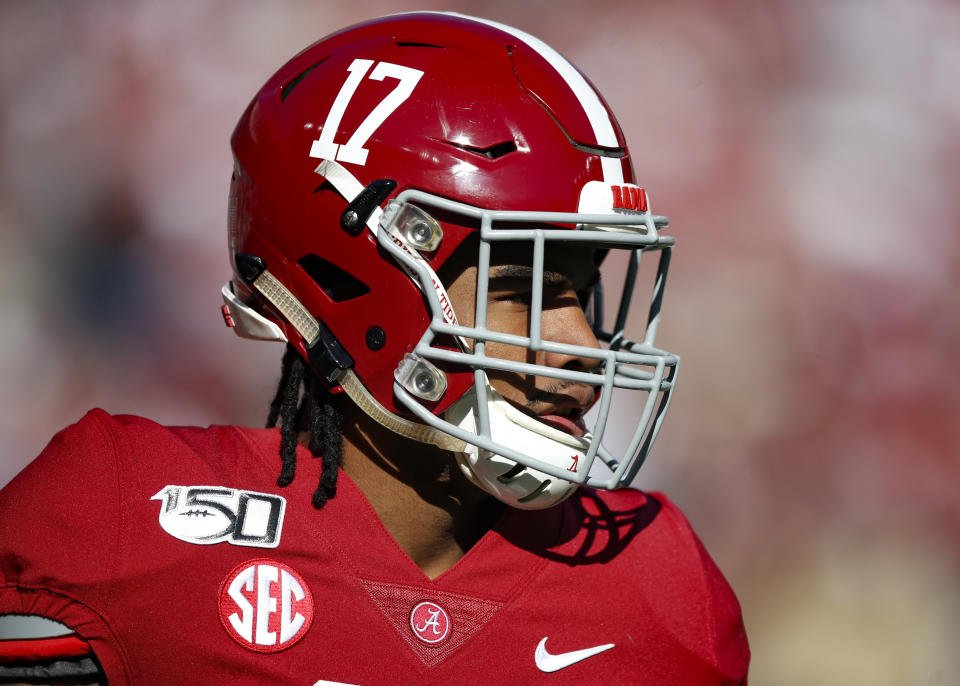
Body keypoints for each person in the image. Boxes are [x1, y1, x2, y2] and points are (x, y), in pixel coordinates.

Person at [0, 12, 749, 685]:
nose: (582, 347)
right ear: (360, 278)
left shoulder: (660, 587)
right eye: (521, 286)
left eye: (582, 295)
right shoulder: (122, 515)